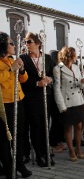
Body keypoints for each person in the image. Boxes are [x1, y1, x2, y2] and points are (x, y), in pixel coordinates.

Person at [20, 32, 55, 167]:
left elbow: (52, 73)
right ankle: (39, 155)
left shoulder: (46, 58)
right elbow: (22, 80)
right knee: (36, 126)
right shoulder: (23, 58)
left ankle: (46, 152)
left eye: (29, 42)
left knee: (45, 126)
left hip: (45, 97)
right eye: (25, 42)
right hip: (31, 98)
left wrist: (49, 79)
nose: (27, 45)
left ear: (38, 44)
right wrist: (36, 83)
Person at [0, 32, 32, 178]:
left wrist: (22, 69)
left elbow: (23, 79)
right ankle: (8, 168)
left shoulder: (11, 59)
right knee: (5, 139)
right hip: (4, 105)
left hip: (18, 100)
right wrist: (10, 69)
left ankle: (19, 164)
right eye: (11, 43)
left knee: (19, 135)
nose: (13, 45)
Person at [53, 46, 84, 162]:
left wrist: (83, 83)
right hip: (67, 101)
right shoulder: (58, 69)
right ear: (69, 55)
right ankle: (71, 150)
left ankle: (78, 148)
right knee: (68, 128)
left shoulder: (77, 67)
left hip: (78, 100)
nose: (76, 55)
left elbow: (80, 85)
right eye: (74, 53)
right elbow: (56, 89)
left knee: (79, 126)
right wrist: (61, 106)